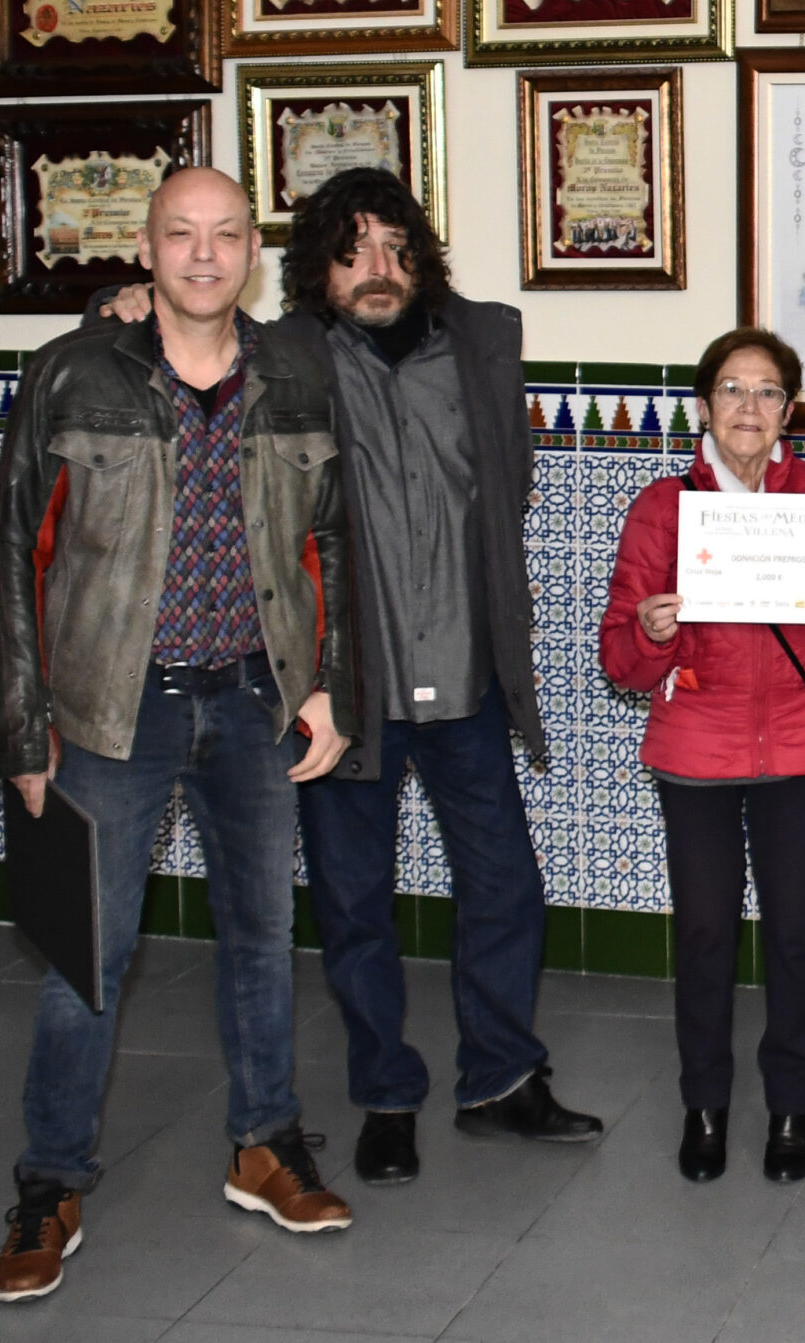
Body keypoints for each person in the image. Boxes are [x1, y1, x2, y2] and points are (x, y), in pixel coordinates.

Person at [92, 166, 600, 1184]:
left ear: (422, 258)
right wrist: (120, 301)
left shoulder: (483, 343)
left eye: (395, 247)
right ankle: (386, 1094)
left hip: (467, 672)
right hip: (341, 684)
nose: (377, 268)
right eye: (352, 248)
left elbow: (507, 485)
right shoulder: (284, 355)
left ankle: (502, 1077)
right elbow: (171, 335)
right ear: (314, 266)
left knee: (505, 884)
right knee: (356, 901)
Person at [0, 168, 358, 1303]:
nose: (203, 254)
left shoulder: (297, 374)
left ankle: (264, 1147)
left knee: (261, 937)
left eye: (225, 234)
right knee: (84, 957)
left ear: (253, 253)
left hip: (253, 702)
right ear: (144, 250)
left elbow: (331, 541)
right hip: (110, 706)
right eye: (180, 234)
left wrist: (328, 687)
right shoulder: (73, 371)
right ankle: (50, 1183)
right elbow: (13, 550)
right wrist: (23, 726)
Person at [599, 328, 805, 1184]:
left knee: (798, 935)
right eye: (731, 389)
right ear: (704, 405)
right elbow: (619, 658)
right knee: (705, 936)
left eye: (767, 391)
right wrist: (652, 632)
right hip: (696, 753)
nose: (748, 406)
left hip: (801, 753)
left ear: (789, 411)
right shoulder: (664, 508)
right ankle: (704, 1105)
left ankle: (791, 1106)